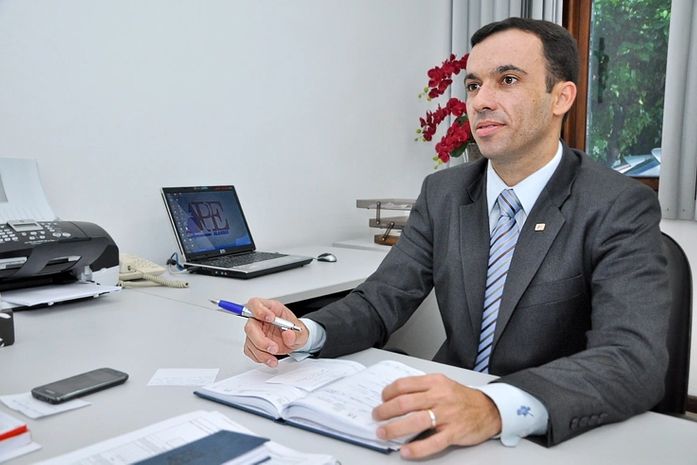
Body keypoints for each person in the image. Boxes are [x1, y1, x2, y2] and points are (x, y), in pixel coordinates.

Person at [242, 17, 670, 459]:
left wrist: (491, 406)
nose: (481, 101)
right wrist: (305, 332)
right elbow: (382, 298)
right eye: (473, 85)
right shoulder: (444, 193)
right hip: (443, 416)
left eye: (507, 80)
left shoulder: (617, 204)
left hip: (544, 432)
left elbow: (631, 359)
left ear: (561, 96)